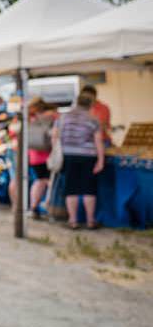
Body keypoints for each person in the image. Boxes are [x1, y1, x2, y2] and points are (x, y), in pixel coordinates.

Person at [52, 92, 105, 229]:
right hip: (88, 157)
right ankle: (90, 221)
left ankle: (73, 221)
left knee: (71, 189)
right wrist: (101, 160)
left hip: (68, 155)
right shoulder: (93, 119)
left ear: (76, 102)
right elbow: (98, 141)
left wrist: (57, 151)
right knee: (88, 189)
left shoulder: (63, 118)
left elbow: (54, 137)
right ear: (91, 104)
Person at [8, 97, 57, 218]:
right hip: (46, 154)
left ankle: (24, 207)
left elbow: (12, 133)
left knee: (36, 180)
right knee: (49, 181)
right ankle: (46, 205)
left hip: (32, 154)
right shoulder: (51, 116)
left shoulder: (25, 118)